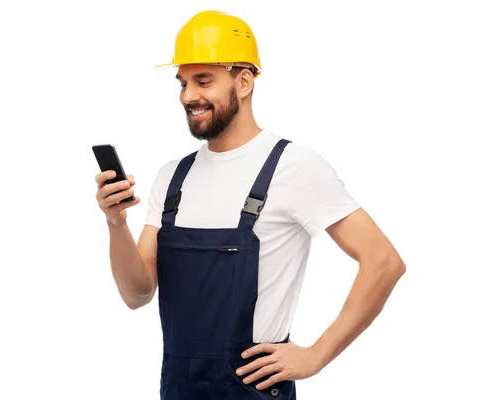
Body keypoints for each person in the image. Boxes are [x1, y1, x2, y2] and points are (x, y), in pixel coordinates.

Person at [94, 10, 405, 400]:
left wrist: (316, 356)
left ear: (243, 82)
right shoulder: (172, 177)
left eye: (203, 81)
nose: (189, 96)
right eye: (183, 83)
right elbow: (137, 294)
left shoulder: (293, 167)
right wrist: (116, 222)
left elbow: (384, 262)